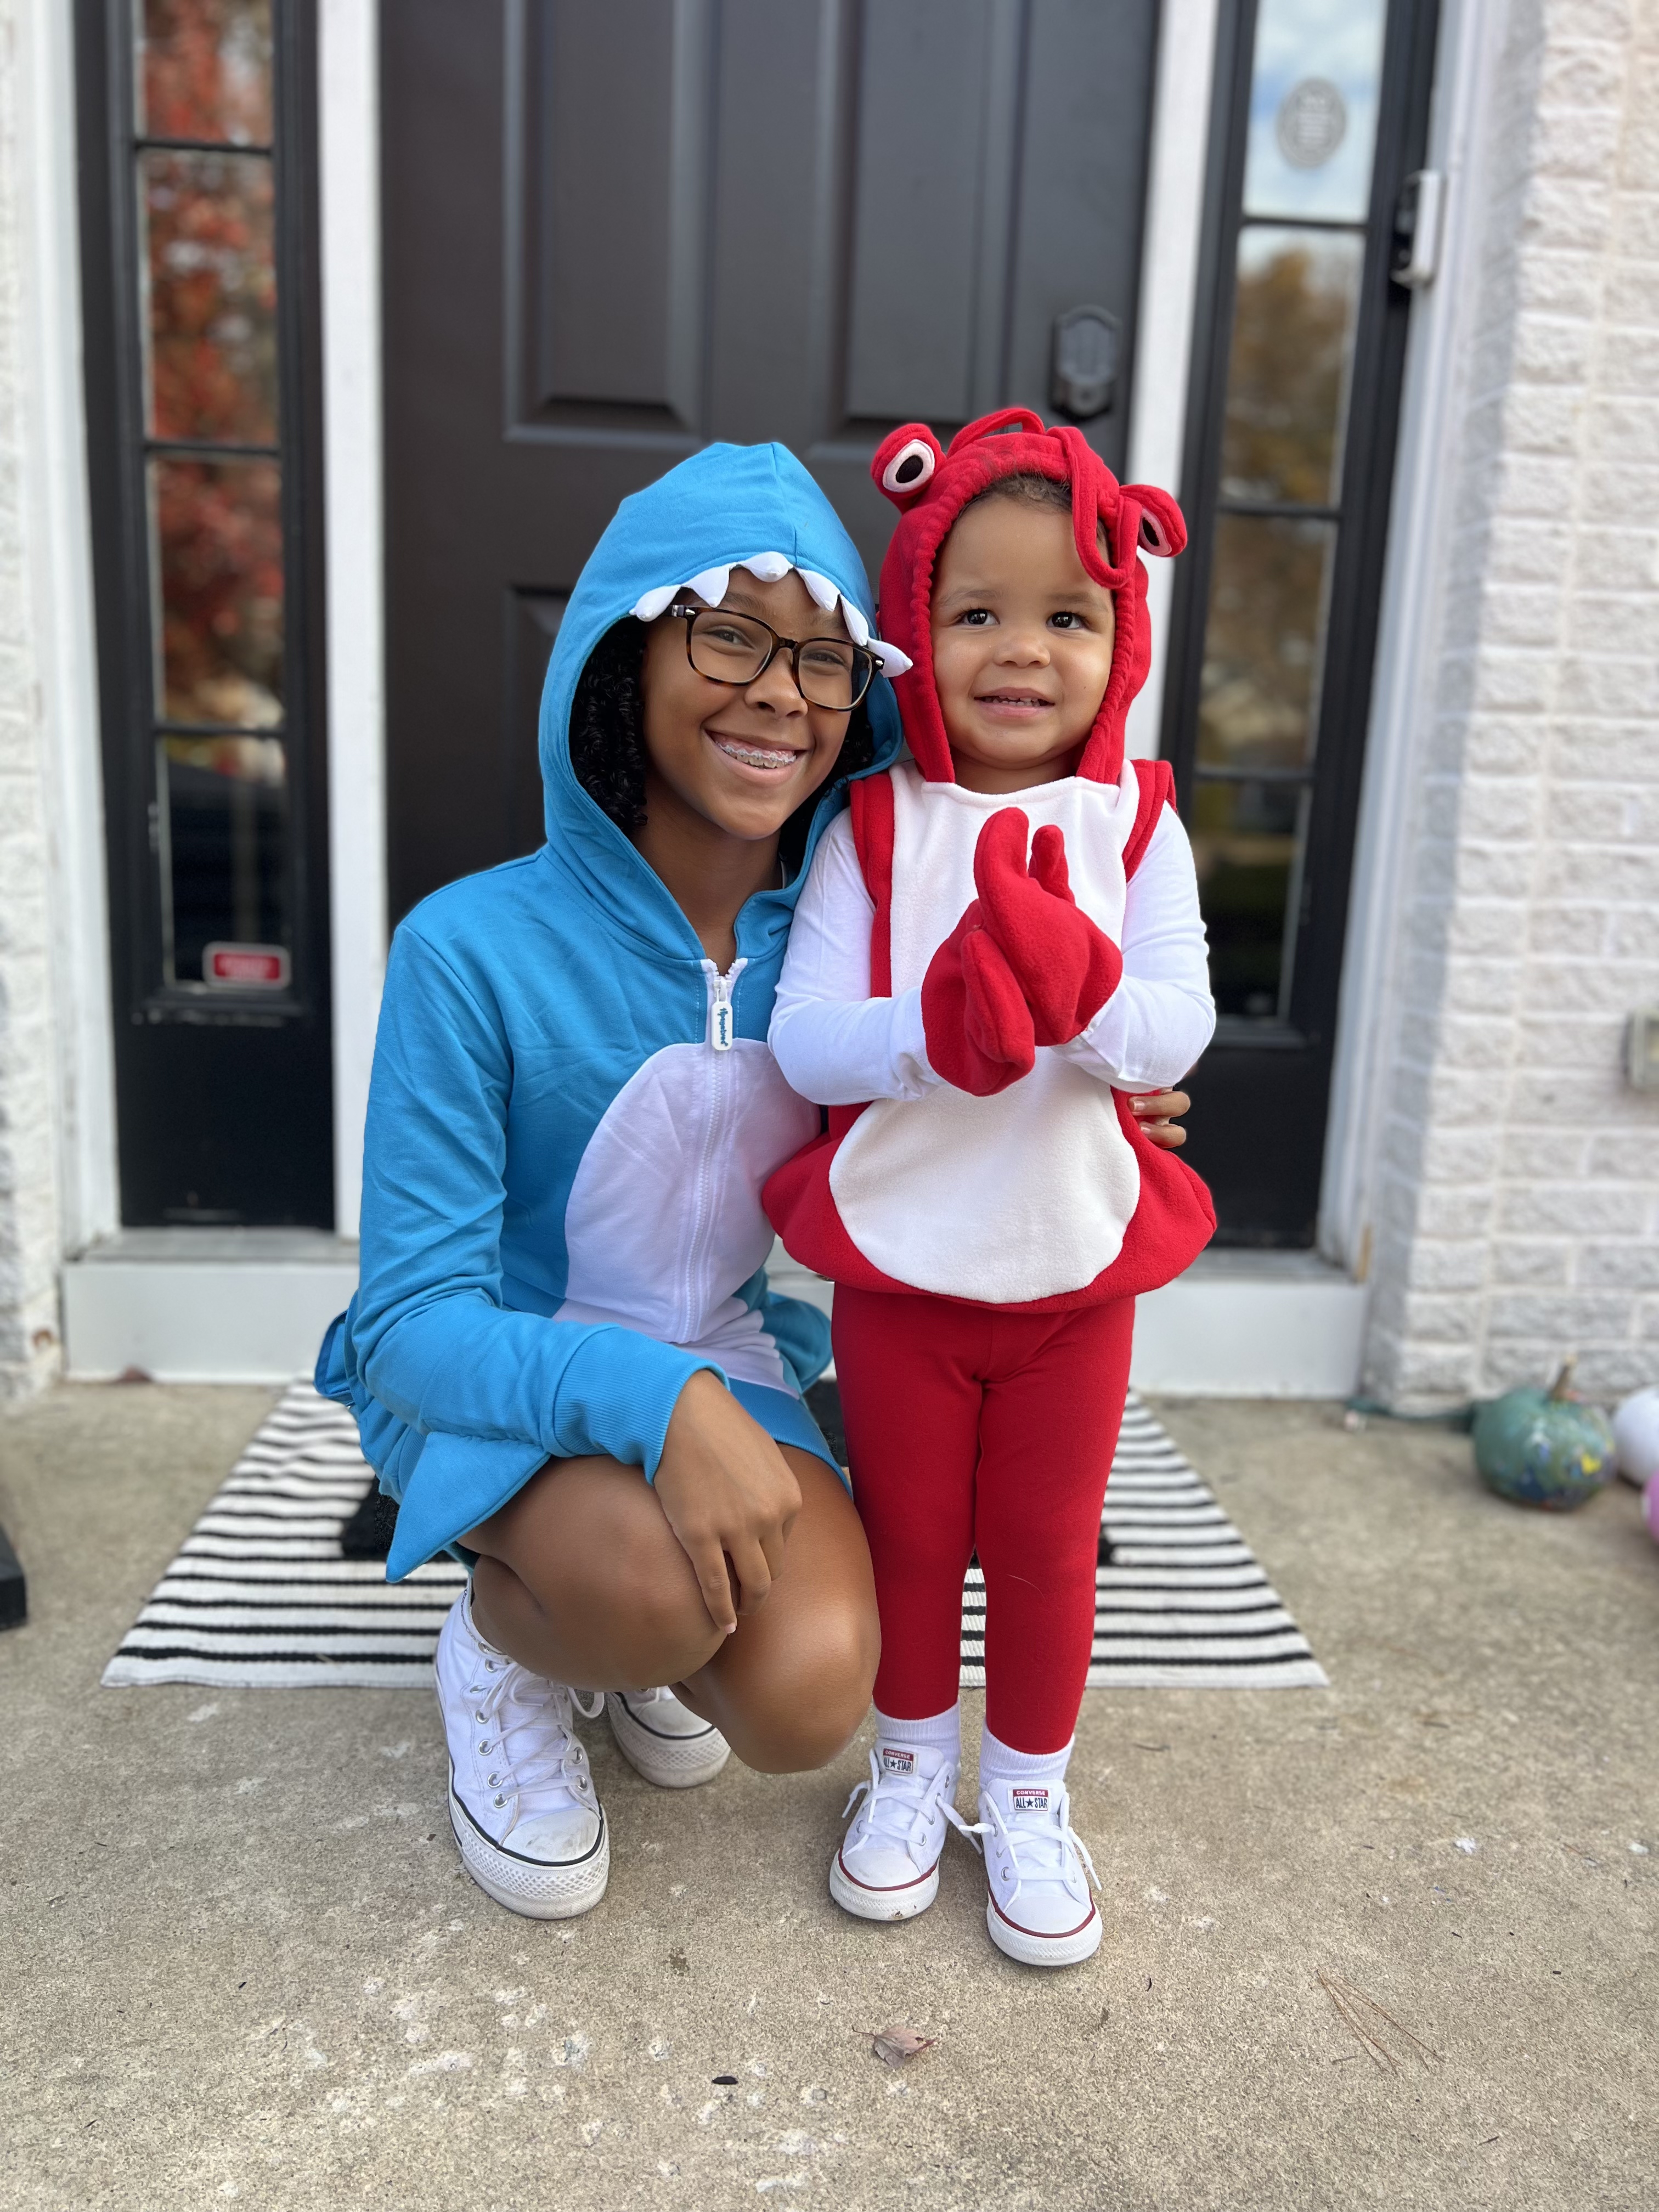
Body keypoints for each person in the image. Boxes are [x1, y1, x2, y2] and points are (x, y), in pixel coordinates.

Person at [317, 437, 1193, 1926]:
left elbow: (989, 1050)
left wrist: (1107, 1093)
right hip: (505, 1373)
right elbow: (408, 1318)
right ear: (623, 659)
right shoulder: (465, 949)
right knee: (649, 1584)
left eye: (821, 659)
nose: (779, 691)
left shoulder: (844, 940)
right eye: (728, 635)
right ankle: (510, 1639)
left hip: (727, 1359)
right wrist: (655, 1406)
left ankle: (627, 1635)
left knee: (807, 1704)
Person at [765, 410, 1217, 1968]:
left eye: (1068, 617)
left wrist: (1076, 986)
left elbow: (1178, 1023)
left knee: (1043, 1544)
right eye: (977, 613)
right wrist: (933, 1032)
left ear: (1122, 633)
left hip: (1073, 1272)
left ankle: (1024, 1793)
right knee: (907, 1537)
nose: (1022, 651)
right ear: (913, 627)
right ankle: (901, 1775)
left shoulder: (1138, 824)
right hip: (903, 1270)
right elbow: (807, 1034)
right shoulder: (877, 825)